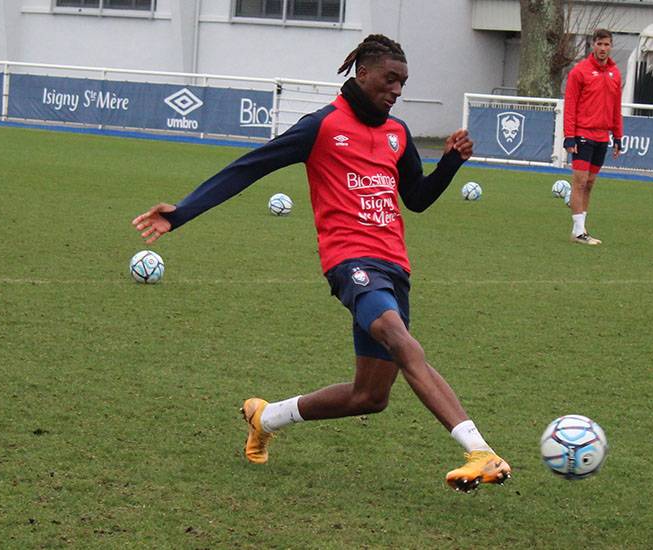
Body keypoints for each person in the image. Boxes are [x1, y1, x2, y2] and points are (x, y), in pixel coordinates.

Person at [132, 34, 510, 493]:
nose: (396, 89)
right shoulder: (322, 126)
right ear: (363, 73)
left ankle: (265, 417)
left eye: (403, 82)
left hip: (394, 267)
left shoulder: (397, 134)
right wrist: (184, 211)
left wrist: (449, 163)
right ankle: (479, 450)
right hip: (350, 261)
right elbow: (250, 167)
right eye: (389, 79)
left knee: (370, 396)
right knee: (401, 339)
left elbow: (417, 199)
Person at [563, 28, 623, 245]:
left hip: (602, 136)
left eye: (607, 44)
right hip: (582, 134)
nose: (603, 48)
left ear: (611, 46)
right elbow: (570, 105)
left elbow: (616, 107)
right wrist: (569, 136)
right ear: (593, 45)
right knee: (579, 182)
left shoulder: (615, 73)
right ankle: (579, 232)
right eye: (599, 44)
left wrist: (617, 136)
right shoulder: (580, 72)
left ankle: (579, 229)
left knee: (589, 183)